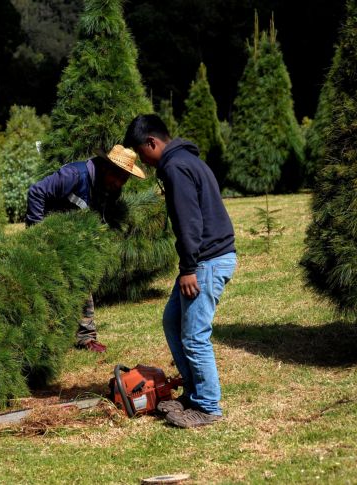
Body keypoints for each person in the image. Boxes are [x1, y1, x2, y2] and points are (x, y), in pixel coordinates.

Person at [124, 114, 236, 428]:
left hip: (206, 260)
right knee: (173, 321)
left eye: (141, 153)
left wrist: (188, 268)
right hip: (205, 258)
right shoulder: (186, 160)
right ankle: (193, 394)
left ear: (152, 143)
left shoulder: (175, 168)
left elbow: (190, 224)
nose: (143, 162)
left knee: (195, 336)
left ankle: (208, 406)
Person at [25, 144, 147, 352]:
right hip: (47, 238)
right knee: (45, 290)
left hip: (74, 241)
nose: (118, 184)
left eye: (123, 180)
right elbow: (36, 193)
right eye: (117, 177)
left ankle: (86, 338)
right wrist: (38, 235)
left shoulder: (108, 189)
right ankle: (39, 341)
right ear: (106, 167)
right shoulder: (74, 175)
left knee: (83, 281)